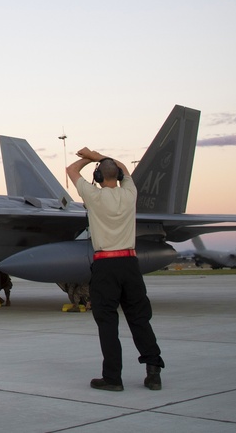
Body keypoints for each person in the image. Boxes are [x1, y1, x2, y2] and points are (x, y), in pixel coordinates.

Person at [67, 147, 164, 392]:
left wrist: (87, 160)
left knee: (107, 322)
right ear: (119, 177)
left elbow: (71, 170)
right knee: (140, 319)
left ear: (98, 179)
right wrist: (100, 158)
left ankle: (113, 378)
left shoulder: (93, 195)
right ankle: (153, 373)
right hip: (130, 264)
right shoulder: (130, 193)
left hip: (105, 265)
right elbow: (124, 169)